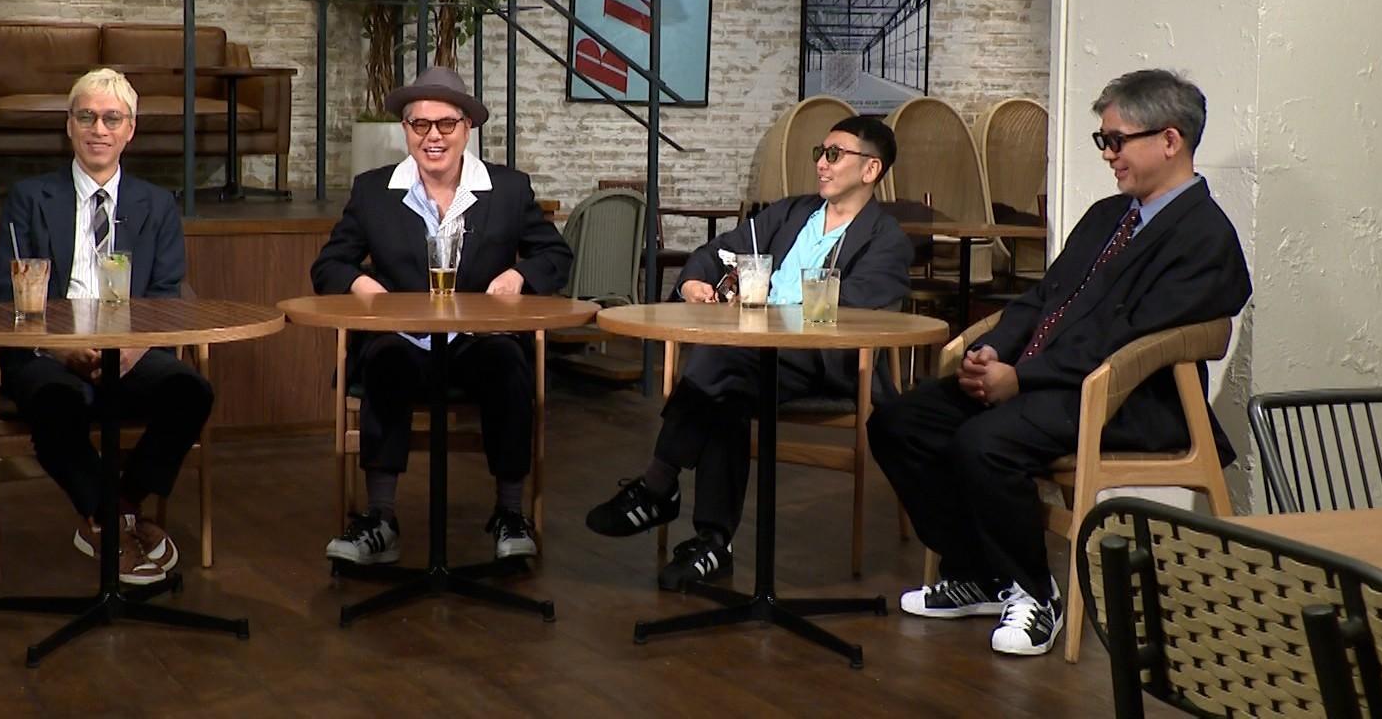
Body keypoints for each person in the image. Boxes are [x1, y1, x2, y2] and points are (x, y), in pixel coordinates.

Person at [869, 69, 1252, 656]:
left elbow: (1124, 340)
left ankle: (1034, 591)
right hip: (1045, 382)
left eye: (1117, 140)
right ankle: (982, 573)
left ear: (1170, 140)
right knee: (900, 423)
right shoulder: (1108, 216)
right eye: (1104, 140)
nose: (1108, 155)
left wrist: (1020, 378)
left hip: (1130, 399)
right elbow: (1043, 299)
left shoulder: (1205, 237)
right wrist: (994, 351)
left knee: (985, 442)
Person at [584, 116, 913, 590]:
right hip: (752, 356)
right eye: (819, 153)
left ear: (870, 169)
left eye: (834, 155)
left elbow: (856, 309)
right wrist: (694, 281)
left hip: (821, 359)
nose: (821, 164)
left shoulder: (886, 240)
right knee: (727, 390)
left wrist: (776, 314)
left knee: (722, 361)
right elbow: (722, 250)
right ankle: (713, 543)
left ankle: (658, 484)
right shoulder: (792, 212)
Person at [311, 67, 572, 566]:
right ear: (406, 130)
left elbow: (555, 256)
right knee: (384, 358)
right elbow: (329, 265)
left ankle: (510, 514)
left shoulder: (508, 189)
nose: (433, 136)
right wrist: (363, 285)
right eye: (420, 124)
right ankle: (381, 520)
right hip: (404, 342)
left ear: (466, 128)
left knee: (508, 362)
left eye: (446, 124)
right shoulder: (373, 191)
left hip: (479, 342)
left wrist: (519, 276)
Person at [0, 68, 212, 586]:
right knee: (56, 402)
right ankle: (113, 524)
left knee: (191, 391)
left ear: (130, 129)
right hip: (47, 352)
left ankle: (117, 510)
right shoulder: (30, 198)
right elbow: (5, 287)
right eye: (86, 116)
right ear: (69, 125)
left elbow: (166, 293)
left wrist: (131, 351)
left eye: (112, 118)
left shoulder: (157, 204)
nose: (98, 129)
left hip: (130, 349)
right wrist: (62, 350)